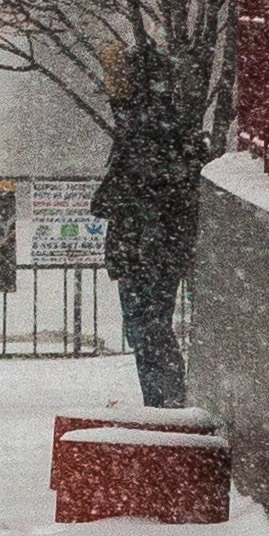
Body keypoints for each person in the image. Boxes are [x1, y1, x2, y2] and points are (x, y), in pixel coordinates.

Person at [92, 46, 205, 410]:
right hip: (151, 246)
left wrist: (118, 210)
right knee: (149, 327)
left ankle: (166, 407)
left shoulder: (146, 126)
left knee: (148, 327)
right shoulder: (156, 122)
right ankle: (164, 404)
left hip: (147, 248)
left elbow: (140, 189)